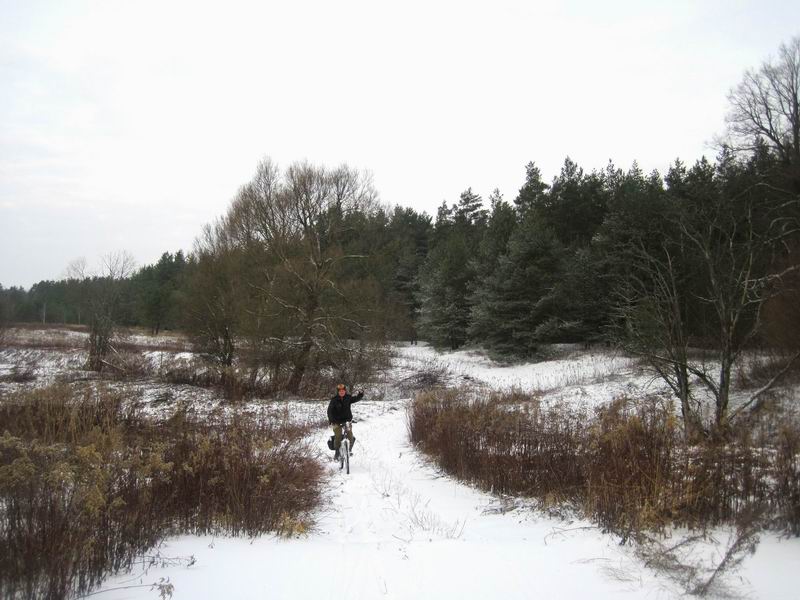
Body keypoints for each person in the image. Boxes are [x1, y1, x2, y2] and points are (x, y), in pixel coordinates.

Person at [327, 383, 363, 460]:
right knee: (338, 435)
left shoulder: (348, 398)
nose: (342, 392)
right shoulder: (334, 400)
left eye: (343, 391)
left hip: (347, 420)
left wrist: (361, 394)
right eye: (340, 391)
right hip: (336, 421)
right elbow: (329, 411)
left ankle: (349, 450)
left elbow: (356, 399)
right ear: (338, 392)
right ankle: (337, 452)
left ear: (345, 391)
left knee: (350, 435)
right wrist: (331, 420)